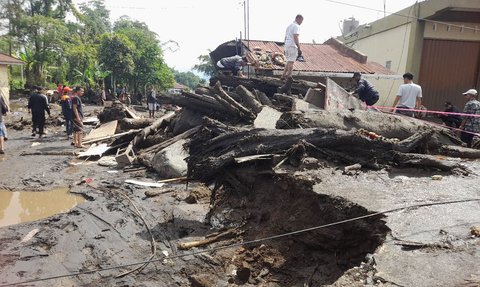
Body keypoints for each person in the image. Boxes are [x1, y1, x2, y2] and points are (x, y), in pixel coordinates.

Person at [281, 14, 303, 81]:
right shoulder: (296, 26)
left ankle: (283, 75)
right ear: (298, 19)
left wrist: (285, 46)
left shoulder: (289, 26)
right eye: (301, 21)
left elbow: (285, 37)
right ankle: (289, 77)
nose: (301, 23)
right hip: (292, 45)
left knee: (288, 61)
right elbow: (295, 36)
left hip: (287, 45)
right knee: (291, 62)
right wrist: (299, 47)